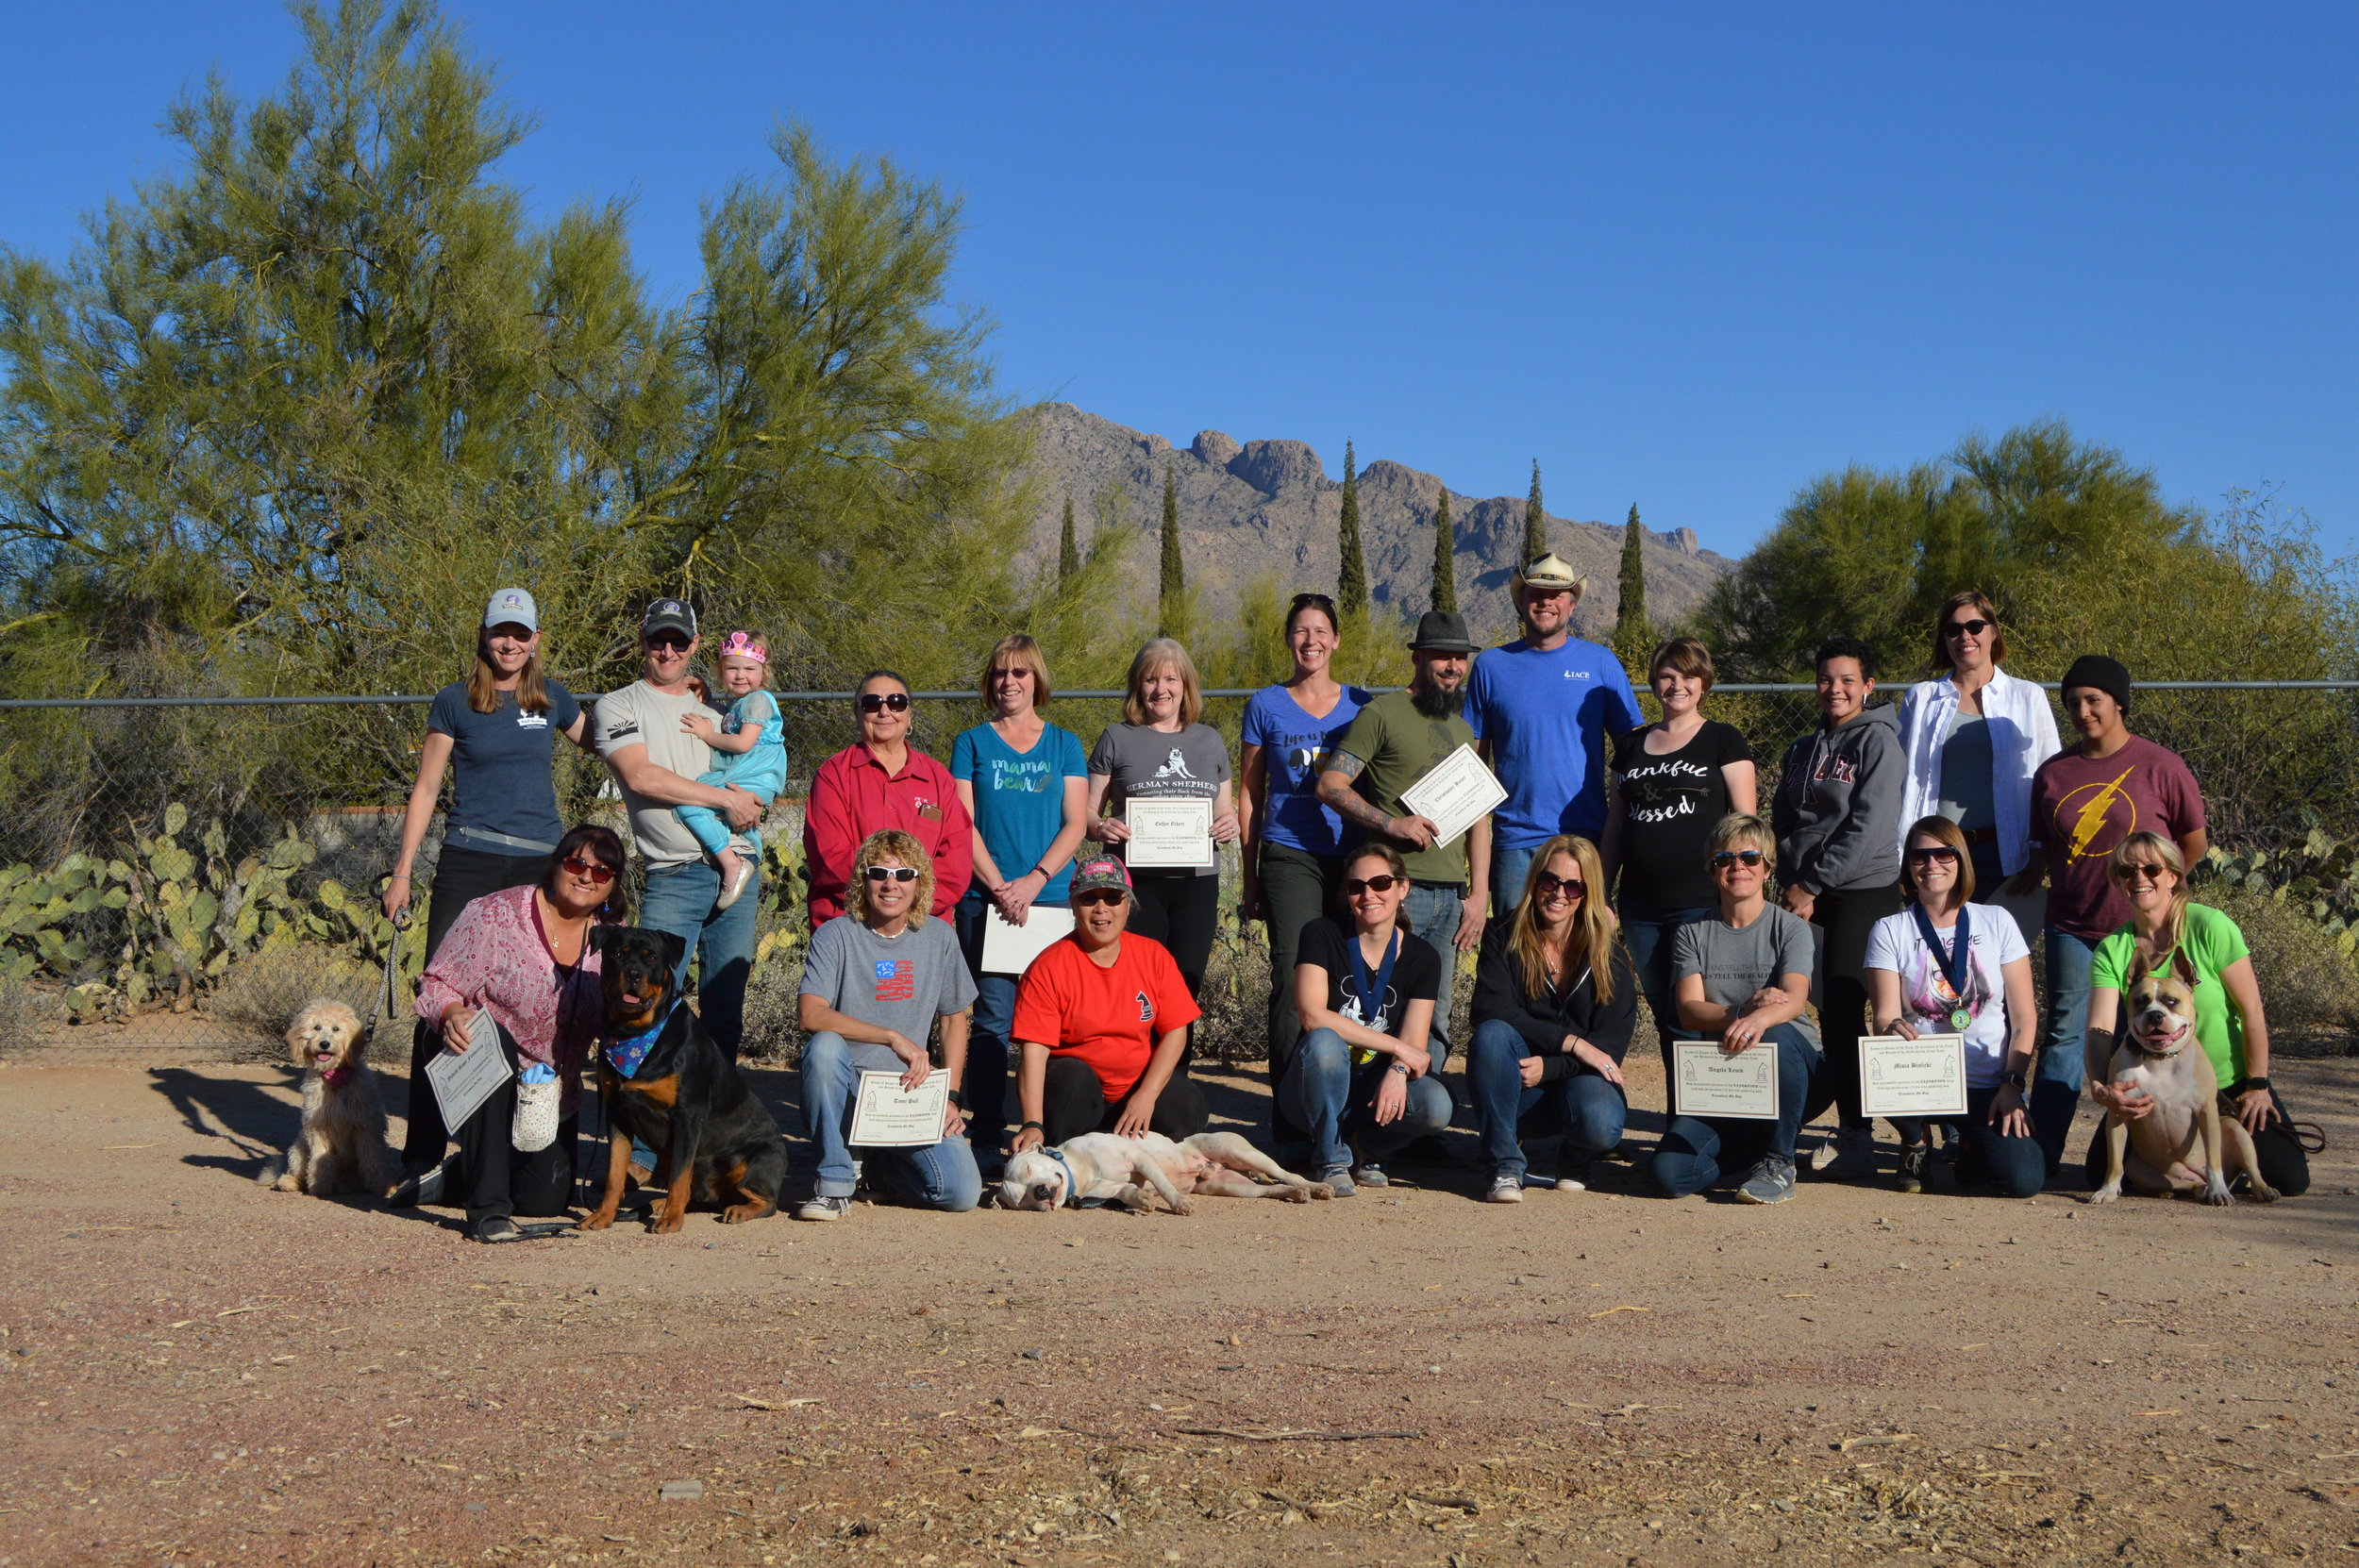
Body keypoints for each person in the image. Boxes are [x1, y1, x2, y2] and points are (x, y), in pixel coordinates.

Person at [384, 588, 593, 1183]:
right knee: (440, 999)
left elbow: (613, 748)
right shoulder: (453, 702)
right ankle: (421, 1154)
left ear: (536, 640)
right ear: (484, 635)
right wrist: (403, 872)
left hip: (537, 868)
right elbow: (425, 789)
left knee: (543, 1002)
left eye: (521, 633)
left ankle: (532, 1151)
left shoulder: (552, 700)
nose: (510, 643)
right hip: (469, 860)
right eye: (501, 632)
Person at [2022, 655, 2207, 1173]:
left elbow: (2193, 841)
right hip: (2073, 925)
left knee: (2160, 1029)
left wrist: (2157, 896)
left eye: (2093, 700)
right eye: (2074, 703)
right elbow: (2046, 845)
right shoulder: (2054, 773)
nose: (2083, 711)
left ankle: (2165, 1146)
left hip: (2147, 932)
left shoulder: (2160, 766)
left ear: (2119, 702)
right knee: (2066, 1034)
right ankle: (2043, 1155)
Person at [410, 824, 626, 1242]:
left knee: (544, 1200)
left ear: (612, 885)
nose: (586, 876)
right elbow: (435, 983)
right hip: (481, 1070)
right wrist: (452, 1012)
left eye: (601, 872)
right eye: (576, 863)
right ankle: (487, 1213)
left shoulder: (612, 936)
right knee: (495, 1039)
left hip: (548, 1094)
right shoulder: (495, 913)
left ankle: (457, 1177)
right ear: (557, 864)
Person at [2082, 833, 2309, 1197]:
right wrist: (2100, 1088)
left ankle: (2219, 1168)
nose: (2139, 878)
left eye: (2151, 868)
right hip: (2148, 1082)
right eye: (2127, 871)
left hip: (2226, 1085)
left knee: (2290, 1178)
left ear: (2172, 875)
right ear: (2118, 882)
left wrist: (2258, 1085)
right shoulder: (2114, 948)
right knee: (2098, 1173)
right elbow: (2099, 1029)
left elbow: (2251, 1010)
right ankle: (2183, 1176)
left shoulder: (2210, 926)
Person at [593, 598, 767, 1062]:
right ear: (642, 641)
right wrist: (726, 800)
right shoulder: (617, 705)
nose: (667, 651)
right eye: (658, 640)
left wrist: (751, 803)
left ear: (695, 645)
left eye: (679, 641)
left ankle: (710, 1122)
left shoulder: (721, 717)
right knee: (645, 1004)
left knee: (725, 1011)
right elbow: (641, 777)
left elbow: (754, 776)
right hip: (674, 873)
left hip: (739, 868)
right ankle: (644, 1130)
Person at [1317, 610, 1493, 1059]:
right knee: (1379, 1003)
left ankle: (1421, 1110)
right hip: (1395, 889)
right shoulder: (1381, 713)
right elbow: (1330, 785)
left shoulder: (1463, 728)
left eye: (1460, 658)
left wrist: (1478, 895)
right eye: (1441, 656)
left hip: (1451, 895)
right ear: (1418, 658)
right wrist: (1391, 824)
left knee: (1435, 1011)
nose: (1452, 666)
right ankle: (1369, 1105)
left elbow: (1478, 817)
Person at [949, 635, 1090, 1168]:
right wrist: (1001, 887)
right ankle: (987, 1132)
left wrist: (1033, 880)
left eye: (1020, 673)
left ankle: (1050, 1132)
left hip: (1051, 900)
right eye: (1001, 672)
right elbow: (962, 822)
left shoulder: (1064, 744)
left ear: (1037, 680)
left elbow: (1077, 821)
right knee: (991, 1018)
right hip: (985, 899)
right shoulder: (973, 743)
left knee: (1057, 1022)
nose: (1010, 682)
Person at [794, 829, 982, 1221]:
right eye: (879, 872)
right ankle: (834, 1183)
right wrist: (892, 1037)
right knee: (824, 1048)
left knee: (961, 1192)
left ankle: (880, 1168)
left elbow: (954, 1020)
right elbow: (810, 1014)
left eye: (904, 874)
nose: (890, 884)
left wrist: (952, 1096)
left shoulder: (939, 938)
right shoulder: (836, 935)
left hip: (908, 1094)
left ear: (920, 883)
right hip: (849, 1087)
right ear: (863, 880)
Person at [1239, 592, 1371, 1140]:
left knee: (1353, 979)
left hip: (1349, 858)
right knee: (1294, 980)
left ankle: (1346, 1121)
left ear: (1337, 640)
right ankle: (1291, 1123)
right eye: (1300, 631)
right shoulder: (1265, 705)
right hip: (1289, 851)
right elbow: (1249, 792)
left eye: (1321, 630)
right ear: (1289, 640)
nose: (1311, 640)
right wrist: (1249, 875)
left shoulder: (1363, 705)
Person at [1774, 635, 1906, 1180]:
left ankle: (1860, 1134)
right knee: (1817, 1005)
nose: (1836, 689)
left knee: (1852, 1006)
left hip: (1861, 890)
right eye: (1827, 679)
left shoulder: (1878, 742)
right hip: (1806, 890)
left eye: (1848, 680)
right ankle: (1806, 1118)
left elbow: (1868, 825)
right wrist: (1790, 879)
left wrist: (1814, 884)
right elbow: (1783, 817)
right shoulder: (1803, 748)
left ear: (1868, 687)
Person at [1651, 814, 1831, 1205]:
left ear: (1767, 868)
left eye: (1750, 857)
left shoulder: (1790, 928)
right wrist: (1746, 1010)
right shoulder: (1692, 933)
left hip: (1797, 1071)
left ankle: (1779, 1162)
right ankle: (1751, 1152)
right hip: (1729, 1079)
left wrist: (1759, 1019)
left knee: (1778, 1033)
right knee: (1671, 1175)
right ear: (1711, 869)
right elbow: (1689, 1011)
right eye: (1725, 859)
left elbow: (1794, 999)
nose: (1738, 867)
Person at [1863, 816, 2044, 1197]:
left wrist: (2012, 1085)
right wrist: (1891, 1026)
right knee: (1880, 1055)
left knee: (2022, 1180)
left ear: (1960, 860)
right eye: (1919, 857)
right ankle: (1916, 1140)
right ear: (1908, 866)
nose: (1932, 865)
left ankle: (1969, 1145)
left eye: (1943, 854)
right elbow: (1883, 1015)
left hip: (1988, 1083)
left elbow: (2025, 1019)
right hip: (1922, 1077)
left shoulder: (1997, 920)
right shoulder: (1889, 929)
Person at [1602, 636, 1755, 1072]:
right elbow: (1615, 825)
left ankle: (1709, 1114)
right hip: (1640, 904)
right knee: (1665, 1012)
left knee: (1697, 1010)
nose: (1677, 685)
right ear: (1654, 683)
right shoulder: (1631, 745)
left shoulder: (1723, 740)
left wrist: (1742, 893)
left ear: (1703, 683)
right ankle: (1681, 1112)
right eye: (1667, 676)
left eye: (1688, 676)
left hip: (1701, 902)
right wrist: (1603, 892)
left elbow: (1746, 824)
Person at [1467, 551, 1644, 910]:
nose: (1546, 601)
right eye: (1535, 593)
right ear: (1521, 601)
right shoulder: (1491, 666)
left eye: (1557, 594)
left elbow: (1635, 750)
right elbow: (1472, 766)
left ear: (1572, 604)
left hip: (1585, 839)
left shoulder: (1601, 663)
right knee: (1513, 952)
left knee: (1580, 954)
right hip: (1514, 841)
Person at [1467, 835, 1638, 1204]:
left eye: (1573, 886)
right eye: (1549, 880)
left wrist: (1551, 1066)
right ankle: (1504, 1165)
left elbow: (1607, 1051)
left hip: (1572, 1081)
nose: (1559, 893)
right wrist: (1571, 1043)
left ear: (1588, 892)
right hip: (1516, 1083)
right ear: (1534, 880)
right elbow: (1489, 1009)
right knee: (1493, 1034)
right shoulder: (1503, 934)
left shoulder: (1610, 956)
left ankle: (1575, 1161)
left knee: (1601, 1123)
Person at [1278, 843, 1451, 1196]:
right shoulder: (1322, 934)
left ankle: (1370, 1150)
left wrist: (1398, 1069)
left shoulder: (1423, 958)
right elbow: (1313, 1016)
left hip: (1374, 1092)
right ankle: (1331, 1157)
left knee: (1436, 1106)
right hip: (1313, 1086)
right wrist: (1398, 1049)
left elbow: (1415, 1045)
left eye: (1380, 883)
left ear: (1403, 889)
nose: (1368, 894)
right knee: (1325, 1041)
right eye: (1356, 886)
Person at [1009, 856, 1208, 1150]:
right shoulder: (1049, 966)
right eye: (1089, 898)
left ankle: (1124, 1139)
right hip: (1080, 1092)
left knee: (1190, 1110)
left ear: (1128, 904)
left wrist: (1146, 1095)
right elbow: (1035, 1053)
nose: (1101, 909)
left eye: (1113, 898)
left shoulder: (1153, 955)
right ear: (1074, 906)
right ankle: (1069, 1146)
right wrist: (1032, 1122)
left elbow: (1176, 1030)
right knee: (1071, 1077)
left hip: (1132, 1086)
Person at [1084, 639, 1240, 1011]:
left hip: (1196, 881)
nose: (1161, 689)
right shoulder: (1116, 738)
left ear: (1186, 685)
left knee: (1187, 980)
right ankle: (1136, 1066)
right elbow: (1087, 814)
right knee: (1136, 983)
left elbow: (1224, 811)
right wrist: (1101, 827)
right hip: (1136, 883)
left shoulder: (1209, 740)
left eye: (1170, 679)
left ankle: (1178, 1067)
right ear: (1138, 685)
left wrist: (1229, 824)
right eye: (1151, 679)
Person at [1896, 591, 2062, 906]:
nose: (1965, 636)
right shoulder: (1920, 699)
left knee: (1997, 954)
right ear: (1944, 639)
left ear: (1994, 631)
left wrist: (2040, 852)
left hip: (2005, 853)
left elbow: (2049, 781)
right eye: (1953, 629)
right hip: (1937, 854)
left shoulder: (2028, 697)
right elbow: (1903, 781)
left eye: (1975, 626)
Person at [805, 670, 974, 927]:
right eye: (872, 704)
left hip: (923, 924)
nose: (884, 712)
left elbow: (956, 861)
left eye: (896, 702)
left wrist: (909, 906)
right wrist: (884, 905)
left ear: (909, 715)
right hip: (851, 924)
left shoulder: (937, 778)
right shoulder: (834, 775)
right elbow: (830, 857)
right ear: (858, 714)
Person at [674, 631, 788, 913]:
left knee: (689, 802)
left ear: (764, 672)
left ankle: (732, 864)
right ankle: (739, 852)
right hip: (748, 775)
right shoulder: (741, 703)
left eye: (749, 668)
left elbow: (742, 742)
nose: (740, 675)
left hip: (754, 775)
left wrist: (707, 734)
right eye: (731, 668)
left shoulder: (759, 700)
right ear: (720, 671)